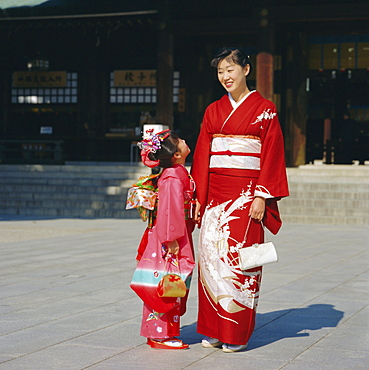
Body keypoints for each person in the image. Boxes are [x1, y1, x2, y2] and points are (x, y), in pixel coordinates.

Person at [191, 47, 289, 353]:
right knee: (210, 260)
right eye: (220, 72)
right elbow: (203, 156)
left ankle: (235, 333)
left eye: (230, 70)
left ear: (246, 69)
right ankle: (211, 328)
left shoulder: (265, 109)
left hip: (246, 197)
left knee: (239, 262)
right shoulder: (213, 110)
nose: (225, 77)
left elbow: (272, 153)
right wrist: (199, 196)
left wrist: (262, 195)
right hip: (214, 195)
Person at [129, 129, 196, 350]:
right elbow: (169, 210)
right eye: (181, 141)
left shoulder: (176, 172)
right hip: (169, 239)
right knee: (164, 284)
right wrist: (172, 238)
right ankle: (160, 335)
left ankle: (164, 333)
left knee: (172, 284)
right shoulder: (171, 177)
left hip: (175, 235)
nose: (186, 141)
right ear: (176, 154)